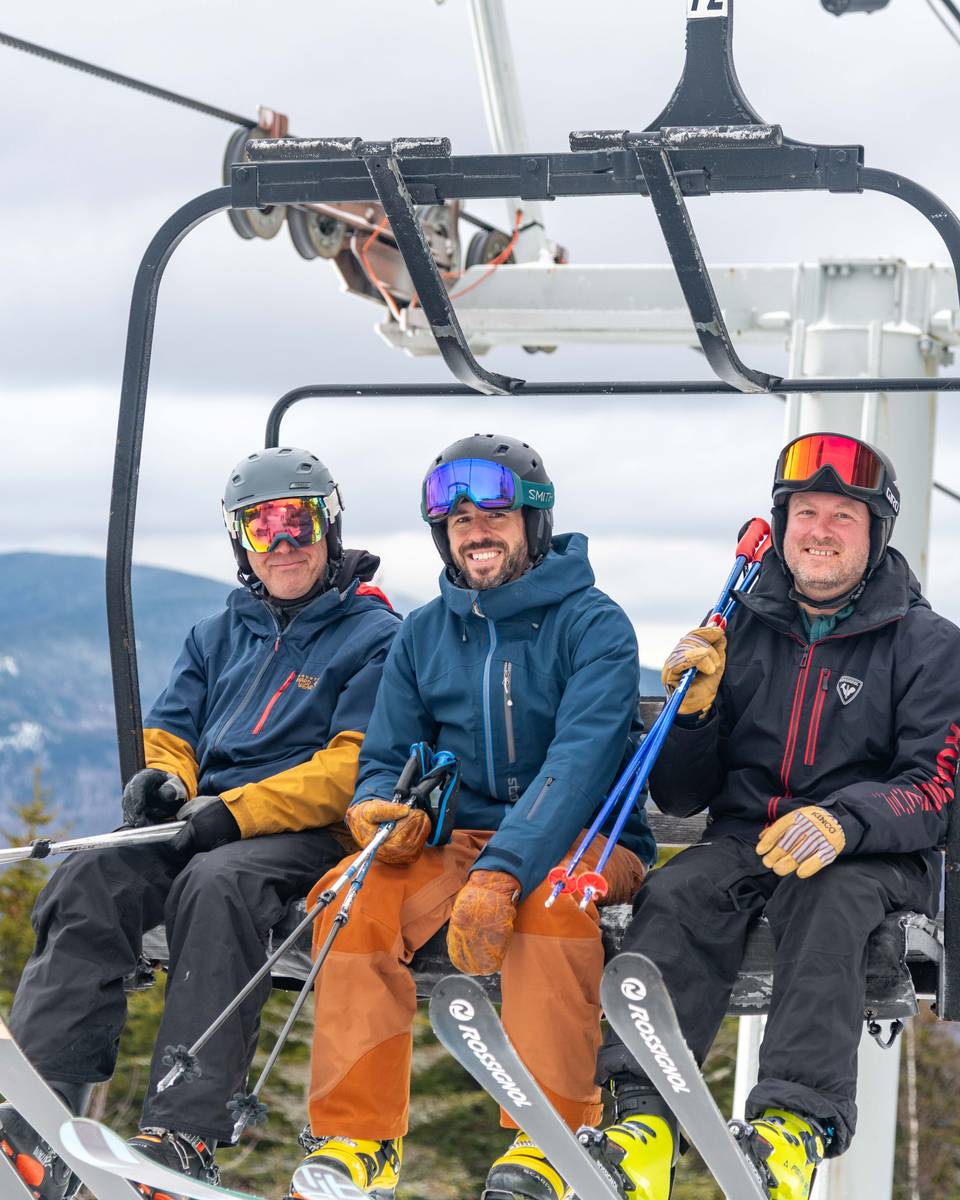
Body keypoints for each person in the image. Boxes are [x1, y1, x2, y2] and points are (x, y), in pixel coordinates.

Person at [0, 447, 400, 1200]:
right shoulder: (220, 633)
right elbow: (172, 727)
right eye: (261, 528)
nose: (283, 544)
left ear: (330, 526)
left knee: (218, 886)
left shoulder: (374, 637)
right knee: (92, 874)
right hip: (205, 818)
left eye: (298, 521)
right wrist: (166, 780)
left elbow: (353, 763)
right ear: (241, 542)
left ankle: (183, 1135)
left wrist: (236, 812)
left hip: (307, 836)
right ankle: (34, 1112)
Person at [591, 432, 960, 1200]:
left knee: (831, 903)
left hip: (871, 858)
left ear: (875, 533)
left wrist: (845, 821)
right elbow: (684, 797)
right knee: (679, 893)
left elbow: (937, 787)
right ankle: (644, 1121)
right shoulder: (741, 626)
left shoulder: (927, 646)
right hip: (746, 840)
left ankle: (794, 1124)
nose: (819, 530)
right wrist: (689, 717)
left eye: (842, 516)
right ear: (782, 525)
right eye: (805, 513)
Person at [287, 433, 655, 1200]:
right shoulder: (425, 633)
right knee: (348, 902)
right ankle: (358, 1140)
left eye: (493, 517)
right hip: (461, 846)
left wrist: (505, 869)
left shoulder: (594, 625)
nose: (475, 534)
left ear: (533, 523)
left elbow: (579, 765)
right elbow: (386, 752)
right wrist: (379, 811)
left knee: (550, 905)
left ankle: (550, 1137)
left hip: (588, 838)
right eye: (458, 524)